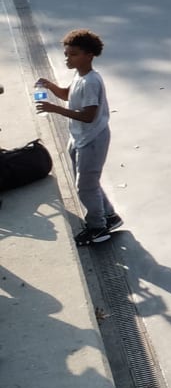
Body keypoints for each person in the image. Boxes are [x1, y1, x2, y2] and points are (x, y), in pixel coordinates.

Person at [34, 29, 119, 246]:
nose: (67, 58)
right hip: (80, 137)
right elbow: (67, 95)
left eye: (73, 54)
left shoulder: (91, 81)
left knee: (85, 186)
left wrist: (55, 109)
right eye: (66, 54)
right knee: (88, 182)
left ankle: (98, 228)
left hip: (93, 139)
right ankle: (109, 216)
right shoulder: (80, 76)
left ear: (89, 55)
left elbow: (89, 116)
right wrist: (49, 86)